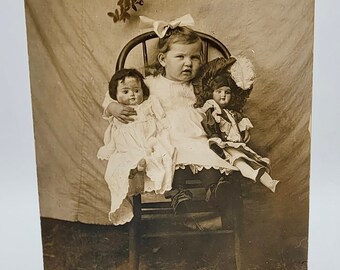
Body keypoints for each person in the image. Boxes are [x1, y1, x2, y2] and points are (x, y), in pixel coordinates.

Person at [102, 15, 239, 215]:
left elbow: (223, 90)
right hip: (165, 138)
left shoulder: (199, 86)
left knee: (208, 156)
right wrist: (113, 107)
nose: (188, 63)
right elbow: (113, 94)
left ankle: (215, 190)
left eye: (195, 57)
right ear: (162, 59)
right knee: (170, 158)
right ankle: (179, 194)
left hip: (197, 136)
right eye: (180, 57)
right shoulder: (149, 83)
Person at [97, 68, 175, 225]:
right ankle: (135, 170)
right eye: (125, 91)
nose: (132, 95)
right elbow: (107, 109)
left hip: (145, 142)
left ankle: (139, 167)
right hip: (126, 148)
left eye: (136, 90)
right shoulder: (117, 109)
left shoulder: (148, 104)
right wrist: (112, 106)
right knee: (117, 165)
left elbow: (161, 119)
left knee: (155, 152)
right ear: (116, 96)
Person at [193, 57, 280, 193]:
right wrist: (216, 139)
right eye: (219, 92)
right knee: (238, 159)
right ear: (211, 93)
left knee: (253, 160)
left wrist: (245, 131)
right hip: (224, 145)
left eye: (227, 92)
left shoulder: (231, 112)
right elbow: (209, 125)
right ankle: (251, 175)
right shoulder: (211, 108)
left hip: (236, 143)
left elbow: (241, 121)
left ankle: (271, 183)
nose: (223, 96)